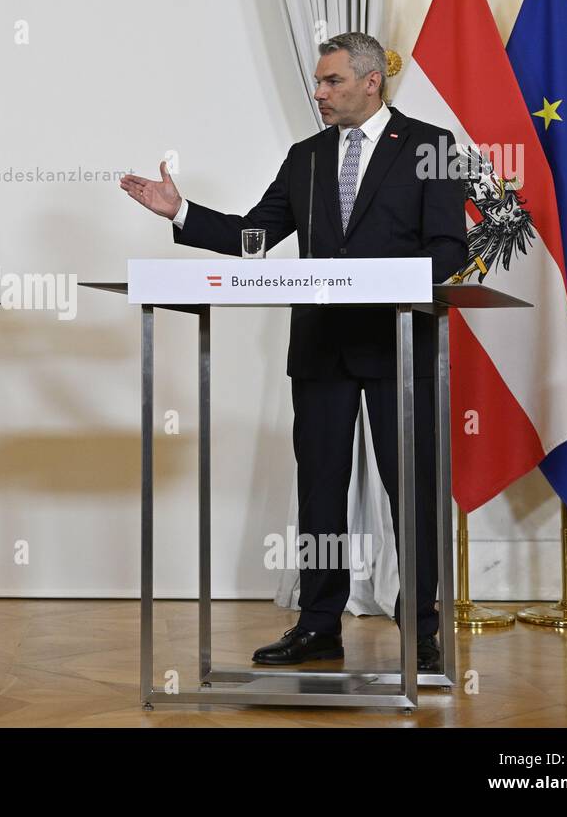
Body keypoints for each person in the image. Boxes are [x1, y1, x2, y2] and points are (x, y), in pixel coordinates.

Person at [120, 33, 468, 672]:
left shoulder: (430, 147)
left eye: (332, 81)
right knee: (320, 493)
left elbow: (451, 248)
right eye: (319, 82)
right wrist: (182, 211)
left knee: (410, 493)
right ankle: (318, 626)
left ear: (371, 82)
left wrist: (376, 280)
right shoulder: (305, 156)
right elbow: (254, 237)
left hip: (396, 346)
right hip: (321, 350)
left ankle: (420, 628)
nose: (319, 93)